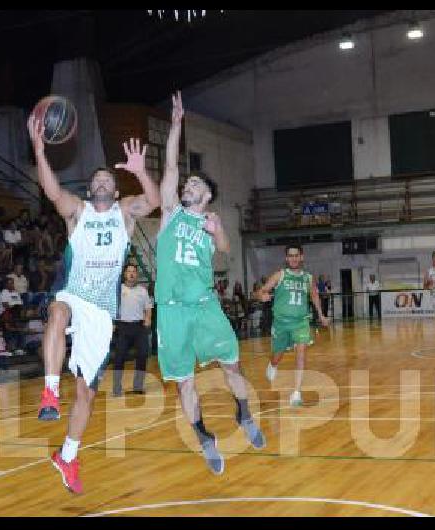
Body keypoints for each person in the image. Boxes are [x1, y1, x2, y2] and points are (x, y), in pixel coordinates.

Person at [28, 110, 160, 494]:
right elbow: (52, 192)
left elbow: (152, 201)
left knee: (86, 392)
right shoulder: (78, 213)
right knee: (56, 310)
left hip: (102, 311)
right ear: (89, 190)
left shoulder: (124, 213)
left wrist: (139, 170)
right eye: (96, 178)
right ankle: (50, 389)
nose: (101, 180)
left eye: (108, 178)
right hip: (75, 294)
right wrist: (40, 150)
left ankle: (67, 456)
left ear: (116, 192)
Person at [153, 92, 265, 475]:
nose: (187, 184)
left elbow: (226, 250)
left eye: (195, 182)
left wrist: (217, 232)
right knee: (185, 383)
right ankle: (204, 439)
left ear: (208, 196)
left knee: (232, 366)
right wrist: (176, 125)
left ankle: (244, 415)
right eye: (188, 182)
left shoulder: (208, 222)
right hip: (171, 311)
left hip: (204, 306)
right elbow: (169, 167)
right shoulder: (170, 214)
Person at [254, 244, 330, 406]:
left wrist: (321, 315)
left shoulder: (308, 278)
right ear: (287, 258)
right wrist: (262, 296)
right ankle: (273, 365)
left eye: (297, 255)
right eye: (291, 255)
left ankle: (296, 393)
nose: (294, 258)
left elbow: (315, 296)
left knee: (301, 353)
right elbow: (260, 291)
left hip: (301, 322)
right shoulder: (280, 275)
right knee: (278, 355)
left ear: (301, 257)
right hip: (281, 323)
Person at [112, 263, 153, 396]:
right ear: (124, 274)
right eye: (129, 271)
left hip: (139, 327)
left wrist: (148, 319)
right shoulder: (118, 289)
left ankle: (138, 386)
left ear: (137, 274)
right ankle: (117, 388)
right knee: (119, 358)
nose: (131, 274)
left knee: (142, 355)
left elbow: (148, 308)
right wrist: (112, 323)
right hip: (122, 327)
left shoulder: (142, 291)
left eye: (134, 271)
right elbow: (111, 307)